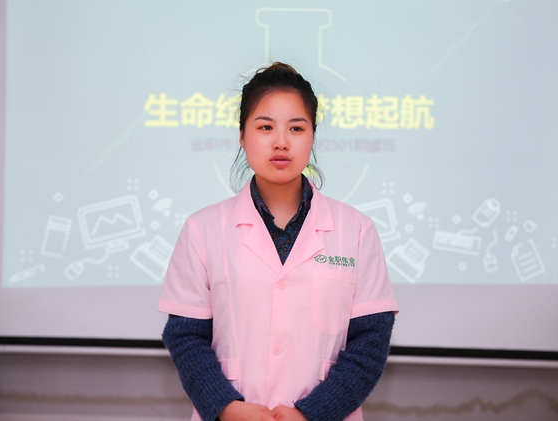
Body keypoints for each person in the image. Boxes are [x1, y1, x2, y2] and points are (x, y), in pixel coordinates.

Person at [158, 62, 398, 421]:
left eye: (296, 128)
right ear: (242, 136)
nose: (281, 141)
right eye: (265, 127)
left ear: (312, 137)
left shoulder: (356, 230)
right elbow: (186, 337)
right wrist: (226, 407)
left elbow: (371, 341)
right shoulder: (203, 229)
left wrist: (311, 413)